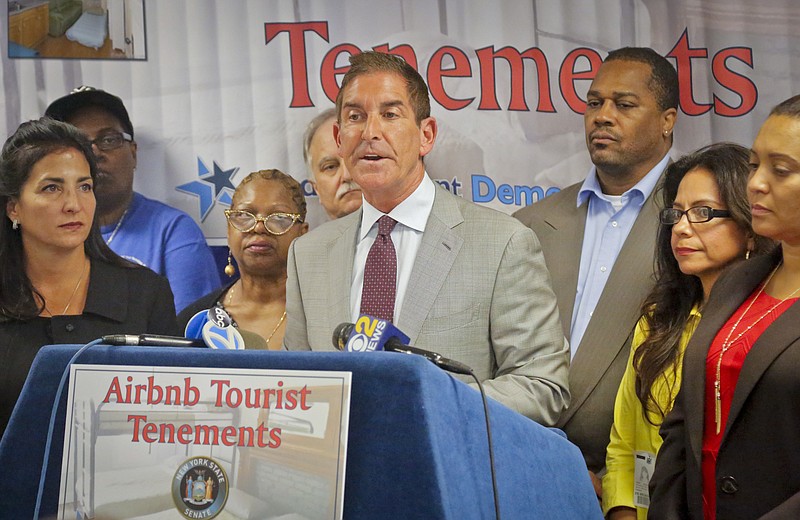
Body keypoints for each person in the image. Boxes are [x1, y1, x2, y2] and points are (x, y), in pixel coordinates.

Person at [283, 51, 569, 425]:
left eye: (390, 114)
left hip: (447, 475)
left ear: (426, 135)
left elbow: (543, 387)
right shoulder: (308, 255)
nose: (370, 132)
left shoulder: (503, 244)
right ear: (339, 137)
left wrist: (428, 403)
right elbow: (297, 389)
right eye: (355, 117)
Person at [514, 47, 678, 473]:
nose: (602, 116)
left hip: (638, 485)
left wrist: (616, 482)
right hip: (521, 464)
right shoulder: (529, 224)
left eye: (624, 105)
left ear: (667, 121)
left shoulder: (698, 224)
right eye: (594, 103)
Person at [602, 143, 772, 520]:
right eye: (676, 214)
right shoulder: (659, 317)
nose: (681, 227)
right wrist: (622, 511)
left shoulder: (771, 328)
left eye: (702, 213)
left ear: (749, 229)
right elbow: (624, 441)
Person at [649, 96, 800, 519]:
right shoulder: (737, 283)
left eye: (781, 170)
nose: (756, 183)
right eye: (754, 165)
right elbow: (682, 427)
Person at [0, 118, 178, 439]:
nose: (74, 205)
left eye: (84, 186)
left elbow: (171, 418)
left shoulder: (145, 292)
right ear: (14, 207)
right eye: (52, 188)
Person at [44, 86, 221, 312]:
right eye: (79, 144)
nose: (95, 152)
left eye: (109, 139)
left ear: (134, 153)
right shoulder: (40, 231)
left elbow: (187, 337)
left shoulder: (172, 231)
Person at [178, 169, 308, 349]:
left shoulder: (325, 313)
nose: (259, 227)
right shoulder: (195, 321)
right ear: (229, 231)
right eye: (244, 215)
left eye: (278, 217)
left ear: (303, 232)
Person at [303, 108, 362, 219]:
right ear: (316, 188)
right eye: (330, 167)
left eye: (356, 159)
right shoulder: (311, 237)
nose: (347, 175)